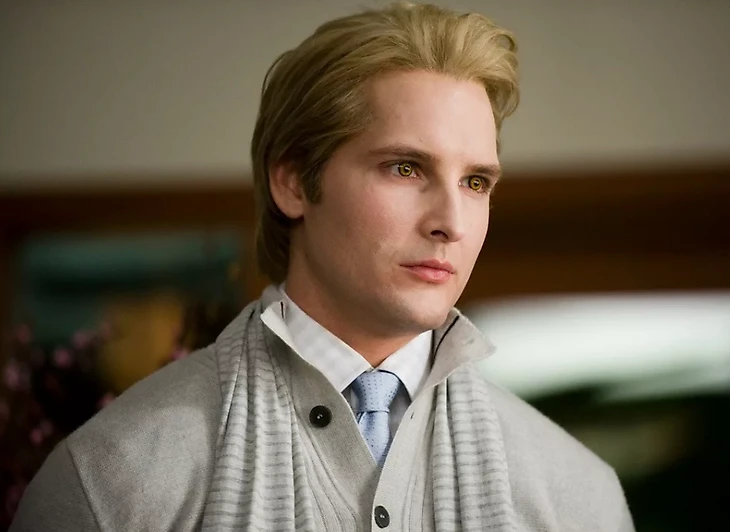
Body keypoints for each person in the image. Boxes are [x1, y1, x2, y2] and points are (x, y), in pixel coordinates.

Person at [11, 2, 635, 531]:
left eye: (476, 182)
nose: (452, 221)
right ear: (291, 182)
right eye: (406, 168)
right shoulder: (112, 484)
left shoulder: (578, 498)